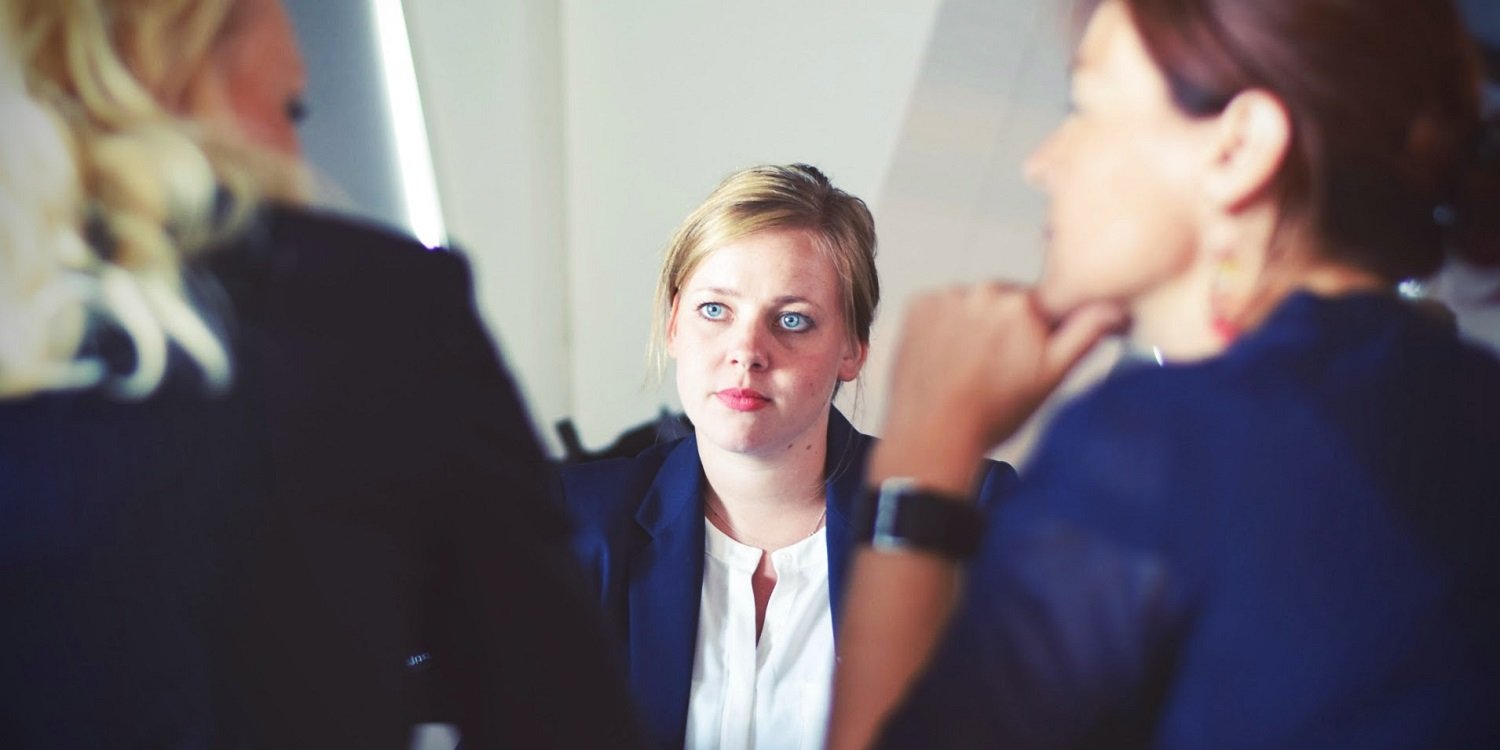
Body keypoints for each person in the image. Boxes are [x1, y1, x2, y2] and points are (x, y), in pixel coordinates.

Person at [828, 0, 1500, 747]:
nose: (1042, 162)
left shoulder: (1165, 442)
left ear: (1238, 148)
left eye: (1083, 106)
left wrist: (928, 441)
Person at [0, 0, 644, 747]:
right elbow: (559, 716)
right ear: (179, 57)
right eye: (290, 109)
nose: (296, 157)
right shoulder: (370, 309)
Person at [559, 163, 1019, 749]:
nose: (746, 352)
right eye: (715, 310)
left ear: (852, 350)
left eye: (793, 320)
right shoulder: (574, 522)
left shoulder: (966, 514)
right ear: (674, 323)